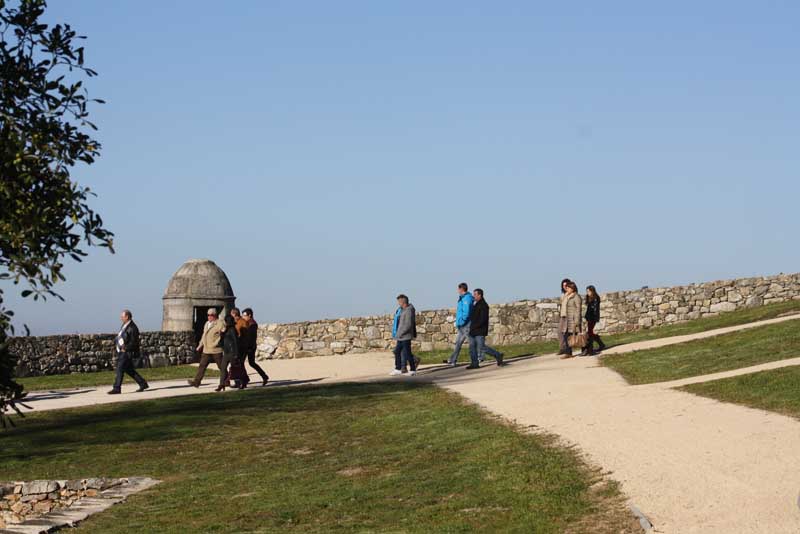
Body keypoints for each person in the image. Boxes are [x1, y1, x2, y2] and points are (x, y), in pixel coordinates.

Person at [107, 309, 149, 394]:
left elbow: (134, 342)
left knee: (119, 368)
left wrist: (125, 348)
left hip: (127, 352)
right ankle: (143, 383)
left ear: (127, 317)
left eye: (122, 316)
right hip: (123, 351)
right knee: (129, 370)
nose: (121, 318)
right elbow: (122, 337)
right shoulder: (125, 325)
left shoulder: (133, 327)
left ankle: (117, 388)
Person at [467, 289, 505, 368]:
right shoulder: (475, 304)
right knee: (472, 347)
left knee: (482, 348)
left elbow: (483, 319)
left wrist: (474, 327)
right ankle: (474, 363)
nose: (473, 296)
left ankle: (498, 355)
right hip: (473, 330)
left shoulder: (484, 305)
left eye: (475, 295)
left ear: (479, 295)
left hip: (479, 331)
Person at [188, 308, 225, 387]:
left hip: (216, 350)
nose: (209, 317)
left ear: (215, 315)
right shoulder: (206, 324)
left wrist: (216, 343)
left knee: (221, 366)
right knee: (202, 365)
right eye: (208, 315)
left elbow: (223, 335)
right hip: (206, 350)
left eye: (211, 315)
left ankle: (226, 380)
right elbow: (204, 336)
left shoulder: (220, 323)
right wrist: (200, 345)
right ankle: (196, 382)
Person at [443, 282, 474, 366]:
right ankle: (453, 360)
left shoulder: (466, 298)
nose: (457, 291)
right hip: (462, 325)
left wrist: (462, 321)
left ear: (461, 289)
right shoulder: (462, 298)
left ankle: (478, 359)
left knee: (472, 343)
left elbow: (466, 312)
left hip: (465, 324)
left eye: (458, 289)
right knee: (458, 343)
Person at [390, 294, 418, 376]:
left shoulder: (409, 310)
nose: (398, 303)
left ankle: (413, 369)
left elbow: (408, 325)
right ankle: (398, 368)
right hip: (401, 336)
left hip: (405, 336)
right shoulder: (403, 310)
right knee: (397, 351)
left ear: (403, 302)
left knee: (407, 353)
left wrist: (401, 333)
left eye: (399, 301)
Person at [240, 308, 269, 386]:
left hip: (250, 346)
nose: (243, 317)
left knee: (248, 363)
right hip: (247, 346)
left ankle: (246, 379)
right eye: (242, 315)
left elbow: (251, 337)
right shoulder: (247, 323)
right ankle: (263, 376)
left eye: (244, 315)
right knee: (248, 363)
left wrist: (249, 347)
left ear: (250, 315)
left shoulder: (252, 324)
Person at [560, 281, 583, 359]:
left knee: (579, 335)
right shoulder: (567, 296)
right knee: (567, 335)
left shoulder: (576, 297)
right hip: (568, 319)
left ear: (573, 288)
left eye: (568, 287)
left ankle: (586, 349)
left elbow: (578, 309)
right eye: (566, 288)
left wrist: (577, 320)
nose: (567, 289)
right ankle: (568, 353)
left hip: (574, 319)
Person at [216, 315, 239, 391]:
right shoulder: (227, 329)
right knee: (223, 368)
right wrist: (222, 334)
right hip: (226, 352)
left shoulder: (232, 329)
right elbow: (223, 340)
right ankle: (221, 384)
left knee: (234, 368)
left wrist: (236, 353)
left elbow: (235, 341)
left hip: (232, 352)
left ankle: (238, 382)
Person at [582, 285, 606, 356]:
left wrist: (594, 318)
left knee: (589, 333)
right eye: (587, 291)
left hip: (593, 318)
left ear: (592, 291)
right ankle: (601, 344)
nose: (587, 292)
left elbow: (595, 310)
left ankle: (590, 349)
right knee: (590, 332)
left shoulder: (596, 298)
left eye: (589, 291)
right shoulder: (589, 298)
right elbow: (588, 309)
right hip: (589, 317)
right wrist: (587, 317)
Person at [557, 278, 572, 355]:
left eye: (566, 285)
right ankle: (562, 348)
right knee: (559, 332)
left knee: (566, 333)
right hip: (562, 315)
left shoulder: (571, 294)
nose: (564, 287)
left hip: (568, 316)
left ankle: (567, 349)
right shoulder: (563, 295)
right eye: (563, 285)